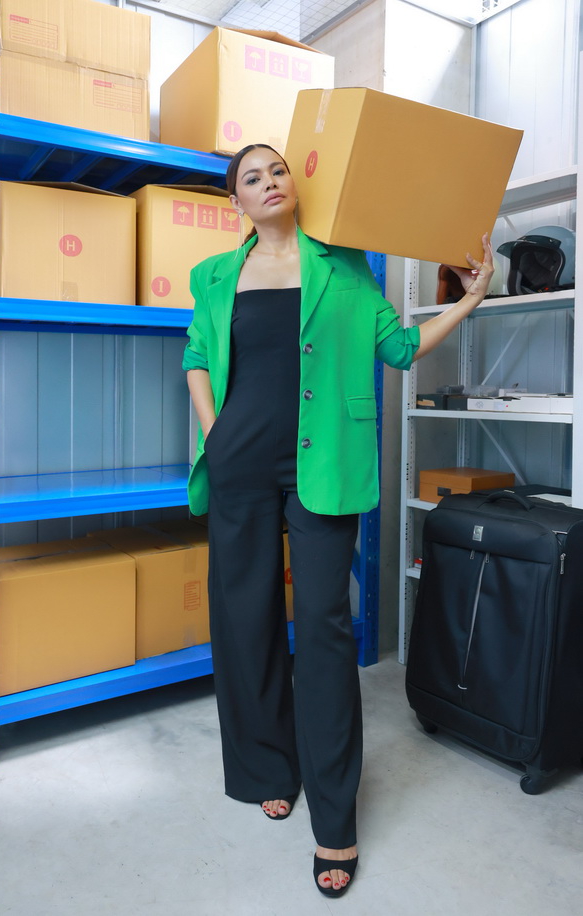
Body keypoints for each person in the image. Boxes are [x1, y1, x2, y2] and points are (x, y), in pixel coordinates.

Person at [183, 143, 494, 897]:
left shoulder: (344, 264)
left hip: (323, 464)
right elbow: (196, 354)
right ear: (235, 201)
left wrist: (470, 299)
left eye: (277, 170)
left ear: (295, 184)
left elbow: (398, 347)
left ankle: (334, 816)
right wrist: (215, 434)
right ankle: (267, 767)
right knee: (245, 618)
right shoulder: (214, 275)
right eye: (251, 177)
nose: (268, 182)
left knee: (323, 630)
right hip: (240, 462)